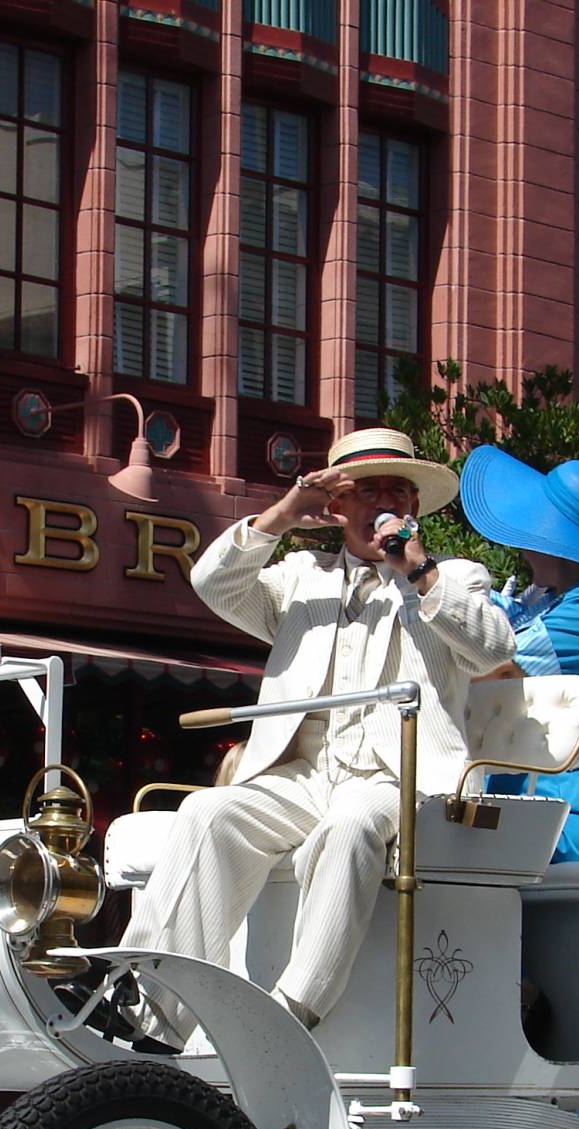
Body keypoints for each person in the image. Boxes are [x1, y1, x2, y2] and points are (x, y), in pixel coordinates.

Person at [120, 427, 515, 1034]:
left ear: (413, 506)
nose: (387, 503)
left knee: (351, 821)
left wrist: (417, 572)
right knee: (206, 814)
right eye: (368, 490)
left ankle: (292, 1013)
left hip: (400, 775)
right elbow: (212, 584)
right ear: (337, 506)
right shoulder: (299, 577)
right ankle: (153, 1015)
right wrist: (283, 514)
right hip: (304, 774)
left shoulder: (454, 576)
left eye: (399, 491)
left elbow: (491, 652)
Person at [456, 443, 579, 863]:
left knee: (446, 844)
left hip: (576, 810)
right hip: (503, 796)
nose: (521, 542)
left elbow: (499, 667)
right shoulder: (534, 599)